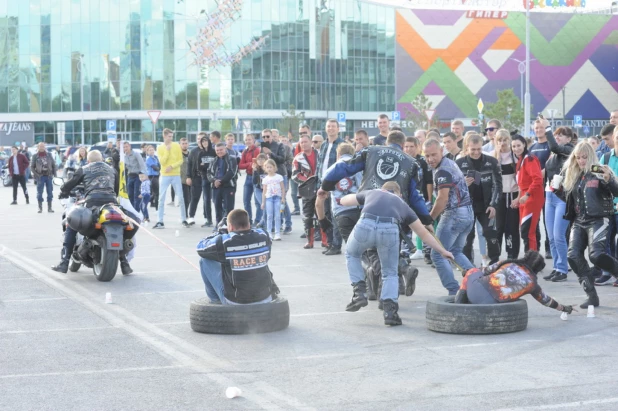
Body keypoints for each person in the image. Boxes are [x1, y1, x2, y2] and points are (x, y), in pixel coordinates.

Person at [320, 130, 433, 296]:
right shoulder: (412, 163)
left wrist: (326, 185)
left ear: (387, 142)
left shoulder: (371, 151)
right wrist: (426, 219)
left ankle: (385, 293)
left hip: (370, 209)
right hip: (397, 213)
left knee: (373, 252)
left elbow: (345, 167)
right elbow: (416, 197)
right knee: (391, 250)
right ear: (402, 145)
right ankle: (400, 278)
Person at [340, 182, 454, 326]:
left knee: (352, 255)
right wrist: (443, 251)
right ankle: (390, 312)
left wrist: (342, 199)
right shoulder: (404, 206)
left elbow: (345, 201)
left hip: (365, 224)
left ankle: (359, 292)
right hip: (389, 229)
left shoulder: (372, 192)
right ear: (399, 194)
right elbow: (423, 234)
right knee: (390, 272)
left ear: (382, 189)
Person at [52, 150, 135, 275]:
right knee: (123, 225)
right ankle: (124, 263)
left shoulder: (84, 168)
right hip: (111, 203)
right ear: (101, 159)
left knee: (72, 223)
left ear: (89, 160)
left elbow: (71, 183)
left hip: (93, 203)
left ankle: (64, 262)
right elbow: (116, 189)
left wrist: (63, 190)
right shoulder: (112, 170)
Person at [563, 142, 618, 308]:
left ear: (591, 156)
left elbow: (616, 191)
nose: (581, 161)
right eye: (578, 157)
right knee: (573, 256)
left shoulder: (600, 170)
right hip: (579, 220)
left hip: (599, 218)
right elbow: (570, 201)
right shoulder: (573, 174)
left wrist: (609, 180)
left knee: (596, 255)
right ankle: (591, 296)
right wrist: (557, 189)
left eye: (584, 157)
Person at [423, 138, 474, 295]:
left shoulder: (442, 170)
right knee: (455, 251)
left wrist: (429, 219)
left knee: (437, 255)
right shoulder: (450, 163)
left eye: (433, 155)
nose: (430, 159)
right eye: (427, 156)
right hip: (467, 213)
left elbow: (442, 199)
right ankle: (478, 281)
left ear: (441, 151)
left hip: (454, 214)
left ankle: (454, 291)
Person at [196, 209, 278, 305]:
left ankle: (215, 304)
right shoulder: (264, 235)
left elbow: (200, 247)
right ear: (249, 224)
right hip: (265, 297)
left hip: (236, 302)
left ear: (230, 226)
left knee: (204, 260)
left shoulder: (224, 241)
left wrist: (220, 232)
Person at [454, 251, 574, 315]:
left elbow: (484, 271)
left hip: (475, 292)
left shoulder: (508, 263)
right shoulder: (532, 284)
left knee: (472, 271)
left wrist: (467, 273)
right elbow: (546, 301)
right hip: (492, 305)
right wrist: (564, 308)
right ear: (538, 269)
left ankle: (456, 307)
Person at [456, 134, 502, 266]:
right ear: (467, 148)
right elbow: (452, 190)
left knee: (490, 233)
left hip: (486, 205)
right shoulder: (459, 164)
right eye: (473, 150)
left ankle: (494, 263)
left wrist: (494, 205)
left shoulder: (492, 162)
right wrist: (462, 184)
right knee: (467, 237)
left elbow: (498, 185)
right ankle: (467, 266)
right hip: (467, 207)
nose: (476, 152)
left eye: (478, 149)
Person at [541, 122, 574, 282]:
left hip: (563, 198)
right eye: (556, 134)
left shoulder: (569, 150)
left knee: (558, 235)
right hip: (550, 195)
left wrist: (546, 128)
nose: (557, 137)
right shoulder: (554, 154)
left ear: (568, 138)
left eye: (561, 134)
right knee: (551, 236)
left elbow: (554, 146)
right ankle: (556, 267)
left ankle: (562, 268)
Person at [511, 135, 544, 252]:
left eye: (518, 145)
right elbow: (521, 183)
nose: (516, 148)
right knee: (527, 231)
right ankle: (532, 260)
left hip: (532, 198)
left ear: (524, 144)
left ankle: (531, 262)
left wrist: (527, 195)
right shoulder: (521, 159)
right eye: (514, 146)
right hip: (525, 198)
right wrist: (518, 197)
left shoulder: (529, 159)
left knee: (528, 232)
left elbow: (537, 179)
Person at [492, 130, 520, 259]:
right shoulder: (493, 157)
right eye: (499, 140)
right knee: (498, 228)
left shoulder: (515, 156)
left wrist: (519, 196)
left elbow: (522, 179)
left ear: (509, 140)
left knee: (512, 227)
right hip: (499, 196)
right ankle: (495, 256)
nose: (502, 143)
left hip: (513, 195)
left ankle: (512, 255)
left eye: (505, 140)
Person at [404, 136, 432, 262]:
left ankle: (428, 252)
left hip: (421, 199)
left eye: (411, 146)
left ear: (417, 147)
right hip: (406, 201)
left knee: (424, 226)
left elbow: (429, 182)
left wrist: (429, 199)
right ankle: (405, 252)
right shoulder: (402, 160)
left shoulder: (423, 161)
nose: (409, 149)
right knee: (406, 227)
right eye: (406, 146)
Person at [153, 128, 188, 229]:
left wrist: (172, 166)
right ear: (164, 136)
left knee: (180, 197)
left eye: (172, 136)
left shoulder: (177, 145)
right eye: (169, 136)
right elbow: (162, 162)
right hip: (164, 175)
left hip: (176, 174)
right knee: (161, 198)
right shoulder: (160, 148)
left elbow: (180, 160)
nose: (171, 138)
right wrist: (167, 151)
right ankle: (160, 221)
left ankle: (183, 219)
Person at [597, 125, 618, 286]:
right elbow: (596, 179)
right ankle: (608, 272)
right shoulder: (605, 156)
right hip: (608, 207)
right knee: (606, 241)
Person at [260, 129, 292, 234]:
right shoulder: (262, 147)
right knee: (269, 199)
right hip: (268, 176)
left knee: (282, 199)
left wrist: (271, 153)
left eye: (267, 136)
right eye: (264, 137)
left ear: (272, 136)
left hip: (280, 175)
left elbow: (282, 159)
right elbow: (262, 161)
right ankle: (271, 226)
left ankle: (288, 224)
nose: (266, 139)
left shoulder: (279, 145)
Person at [530, 119, 553, 258]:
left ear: (546, 129)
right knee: (535, 220)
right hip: (534, 188)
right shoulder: (532, 147)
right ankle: (535, 247)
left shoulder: (551, 145)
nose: (538, 130)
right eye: (536, 128)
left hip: (548, 188)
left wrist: (539, 175)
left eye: (541, 127)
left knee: (547, 220)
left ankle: (549, 247)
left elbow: (551, 164)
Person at [292, 134, 319, 249]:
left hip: (320, 188)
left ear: (311, 142)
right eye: (301, 142)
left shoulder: (320, 154)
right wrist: (308, 180)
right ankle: (310, 241)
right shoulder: (298, 158)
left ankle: (325, 240)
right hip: (306, 189)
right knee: (307, 216)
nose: (303, 144)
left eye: (305, 142)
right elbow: (295, 175)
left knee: (323, 215)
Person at [188, 133, 216, 227]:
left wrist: (206, 166)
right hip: (197, 177)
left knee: (207, 199)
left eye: (204, 140)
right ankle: (191, 216)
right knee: (195, 197)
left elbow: (215, 164)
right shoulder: (194, 151)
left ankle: (207, 218)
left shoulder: (213, 151)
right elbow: (193, 165)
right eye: (199, 139)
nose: (202, 141)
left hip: (211, 178)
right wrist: (189, 176)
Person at [208, 142, 238, 228]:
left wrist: (220, 181)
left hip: (228, 187)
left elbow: (231, 172)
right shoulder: (214, 160)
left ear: (225, 149)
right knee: (217, 207)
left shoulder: (232, 159)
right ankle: (218, 225)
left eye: (221, 150)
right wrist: (214, 181)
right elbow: (209, 173)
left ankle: (229, 226)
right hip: (216, 187)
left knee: (229, 208)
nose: (219, 152)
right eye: (217, 150)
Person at [238, 134, 261, 225]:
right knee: (246, 200)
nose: (248, 141)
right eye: (246, 140)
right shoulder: (245, 151)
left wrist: (248, 164)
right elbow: (240, 165)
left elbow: (258, 163)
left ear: (253, 140)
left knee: (257, 201)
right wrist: (250, 164)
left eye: (249, 140)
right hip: (248, 176)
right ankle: (249, 220)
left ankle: (258, 221)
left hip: (256, 177)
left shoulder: (257, 150)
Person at [261, 159, 285, 241]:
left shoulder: (279, 177)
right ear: (265, 168)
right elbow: (264, 191)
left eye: (270, 167)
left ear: (274, 167)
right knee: (269, 216)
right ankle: (269, 233)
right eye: (267, 167)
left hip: (277, 198)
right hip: (269, 199)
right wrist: (263, 202)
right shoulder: (265, 179)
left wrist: (283, 198)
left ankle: (277, 233)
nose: (269, 169)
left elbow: (282, 188)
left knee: (277, 215)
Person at [31, 142, 56, 213]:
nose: (42, 147)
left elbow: (54, 165)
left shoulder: (49, 155)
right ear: (38, 147)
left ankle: (50, 208)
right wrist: (36, 175)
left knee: (50, 192)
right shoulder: (35, 156)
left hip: (49, 176)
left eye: (43, 146)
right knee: (39, 193)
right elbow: (32, 167)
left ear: (45, 147)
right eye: (40, 146)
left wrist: (55, 175)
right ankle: (40, 208)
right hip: (40, 176)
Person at [123, 141, 147, 210]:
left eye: (126, 146)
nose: (125, 148)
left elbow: (142, 165)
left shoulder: (136, 154)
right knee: (130, 195)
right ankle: (131, 210)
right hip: (130, 176)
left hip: (137, 176)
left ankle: (137, 211)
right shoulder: (123, 156)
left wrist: (143, 176)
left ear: (130, 146)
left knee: (137, 195)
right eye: (124, 147)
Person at [252, 153, 268, 228]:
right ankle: (262, 222)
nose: (260, 161)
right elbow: (254, 182)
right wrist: (255, 171)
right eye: (258, 159)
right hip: (259, 189)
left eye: (262, 159)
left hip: (268, 190)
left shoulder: (268, 168)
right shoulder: (256, 169)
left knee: (267, 206)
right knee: (263, 205)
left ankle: (262, 222)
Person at [180, 138, 192, 219]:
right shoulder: (178, 154)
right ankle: (184, 215)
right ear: (180, 145)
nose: (185, 145)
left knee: (190, 198)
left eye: (186, 143)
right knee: (185, 199)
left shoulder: (191, 154)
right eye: (183, 143)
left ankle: (187, 214)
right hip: (182, 180)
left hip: (191, 179)